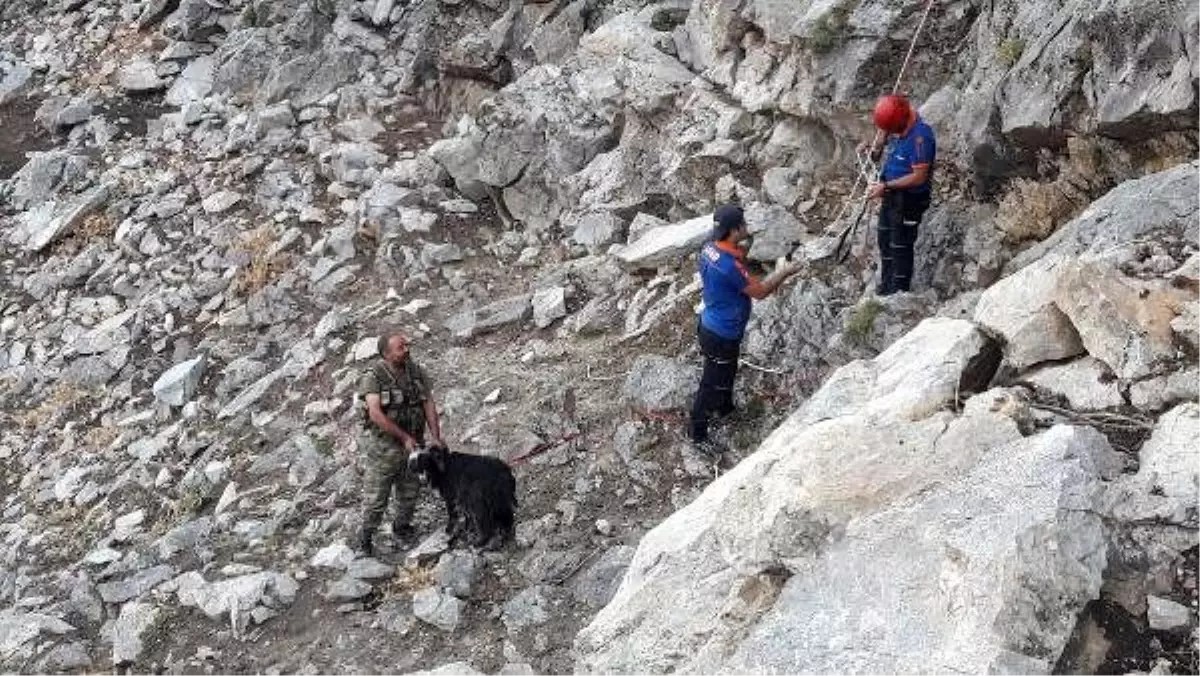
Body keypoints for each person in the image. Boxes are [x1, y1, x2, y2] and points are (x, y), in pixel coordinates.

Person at [689, 204, 801, 458]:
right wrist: (783, 272)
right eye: (743, 224)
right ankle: (697, 432)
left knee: (727, 369)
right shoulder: (730, 267)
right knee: (711, 381)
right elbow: (760, 292)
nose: (747, 227)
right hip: (721, 333)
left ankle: (725, 408)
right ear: (734, 229)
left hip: (715, 324)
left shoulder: (710, 246)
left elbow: (735, 255)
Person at [357, 331, 444, 556]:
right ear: (386, 354)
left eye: (406, 345)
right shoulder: (373, 376)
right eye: (400, 347)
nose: (406, 350)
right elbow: (375, 413)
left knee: (410, 492)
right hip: (384, 449)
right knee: (377, 497)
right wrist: (403, 437)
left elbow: (428, 404)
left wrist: (435, 436)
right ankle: (366, 539)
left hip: (414, 445)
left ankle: (402, 528)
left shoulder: (416, 372)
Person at [864, 94, 937, 296]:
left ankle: (898, 293)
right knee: (885, 240)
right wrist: (874, 146)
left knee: (900, 246)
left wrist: (885, 186)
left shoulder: (921, 137)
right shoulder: (898, 128)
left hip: (908, 202)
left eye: (892, 130)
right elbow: (881, 151)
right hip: (891, 196)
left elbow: (919, 177)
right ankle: (885, 288)